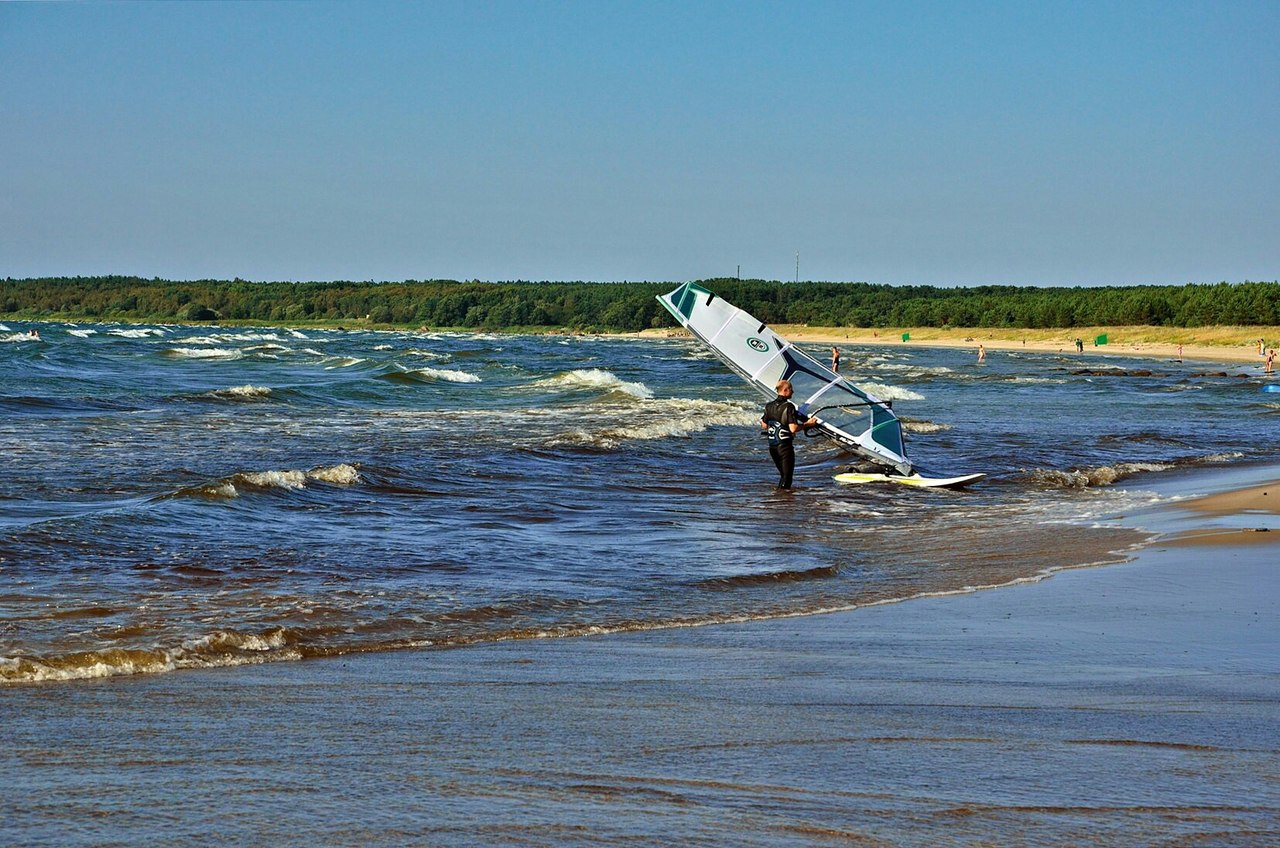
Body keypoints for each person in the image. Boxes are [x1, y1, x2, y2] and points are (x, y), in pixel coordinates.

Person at [760, 379, 811, 489]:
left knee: (783, 476)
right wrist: (808, 424)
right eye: (791, 390)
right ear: (785, 390)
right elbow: (793, 428)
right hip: (784, 448)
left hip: (772, 447)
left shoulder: (769, 406)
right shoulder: (789, 406)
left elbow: (764, 425)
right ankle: (783, 500)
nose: (793, 392)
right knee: (787, 478)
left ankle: (780, 499)